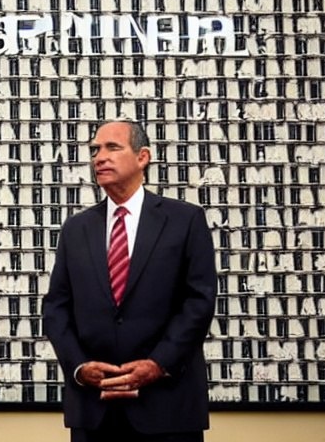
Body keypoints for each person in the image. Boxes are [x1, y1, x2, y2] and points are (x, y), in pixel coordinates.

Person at [42, 120, 217, 442]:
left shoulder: (185, 220)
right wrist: (79, 367)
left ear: (142, 157)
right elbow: (56, 308)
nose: (99, 157)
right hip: (94, 410)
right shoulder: (76, 229)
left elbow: (199, 301)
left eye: (112, 147)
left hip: (168, 407)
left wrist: (158, 363)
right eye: (95, 150)